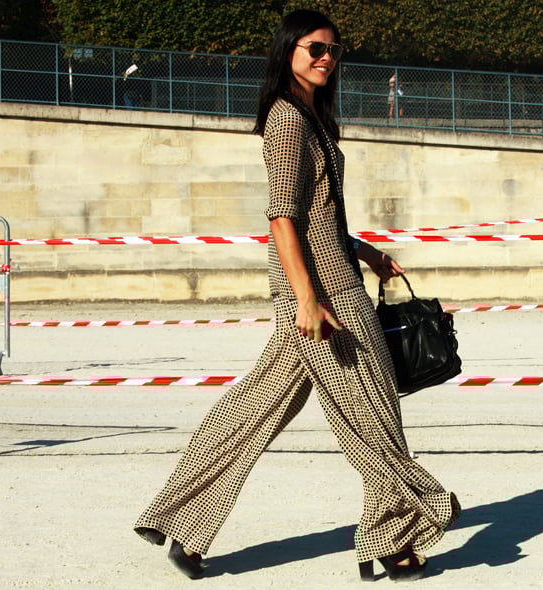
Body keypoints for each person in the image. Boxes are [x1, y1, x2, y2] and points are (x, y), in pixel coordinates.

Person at [132, 8, 459, 583]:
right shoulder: (287, 120)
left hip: (328, 276)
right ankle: (397, 535)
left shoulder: (310, 116)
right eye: (315, 48)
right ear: (289, 50)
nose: (326, 58)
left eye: (334, 50)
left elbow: (316, 216)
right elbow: (282, 218)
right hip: (324, 292)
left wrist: (365, 252)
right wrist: (308, 300)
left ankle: (179, 521)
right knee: (372, 411)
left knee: (259, 406)